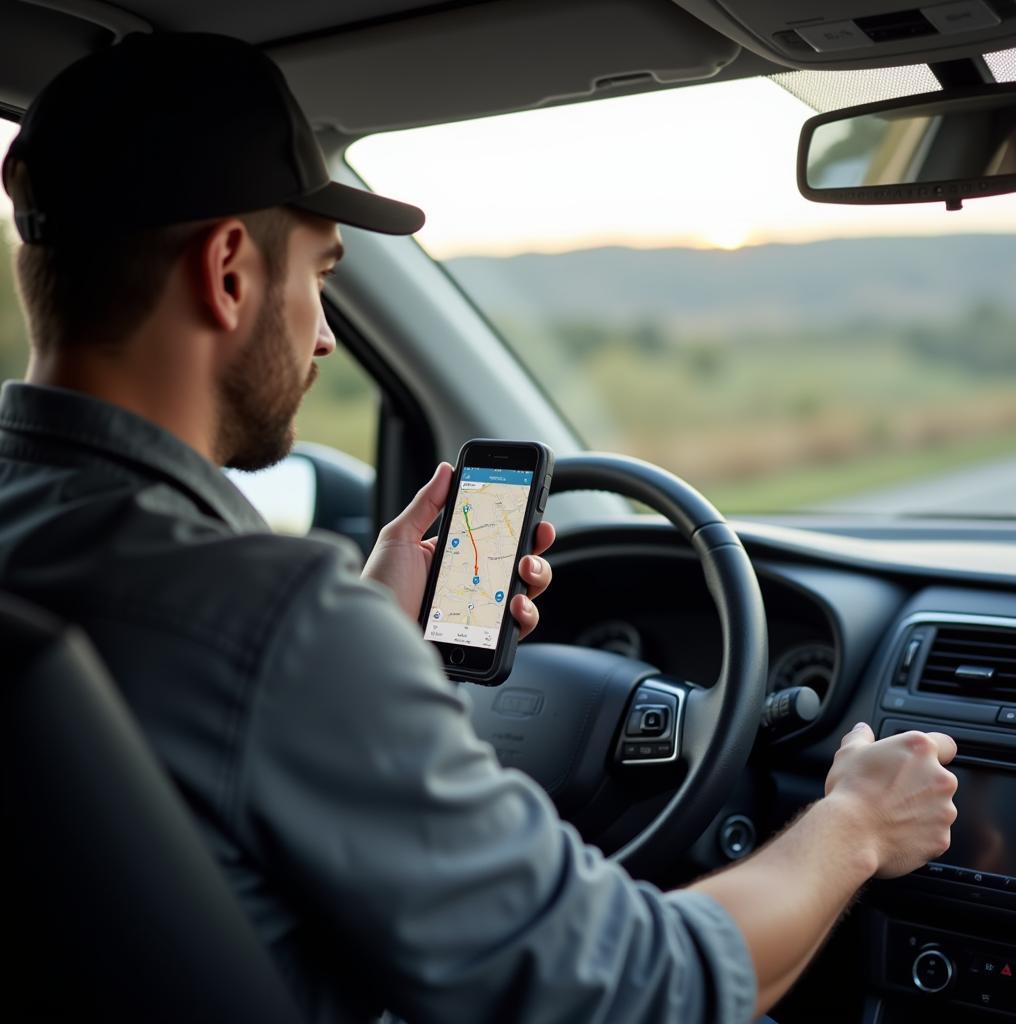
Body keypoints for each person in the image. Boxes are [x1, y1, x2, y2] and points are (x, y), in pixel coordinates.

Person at [0, 32, 958, 1024]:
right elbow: (640, 986)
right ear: (231, 272)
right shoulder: (271, 621)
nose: (324, 331)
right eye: (321, 275)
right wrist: (856, 820)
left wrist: (371, 634)